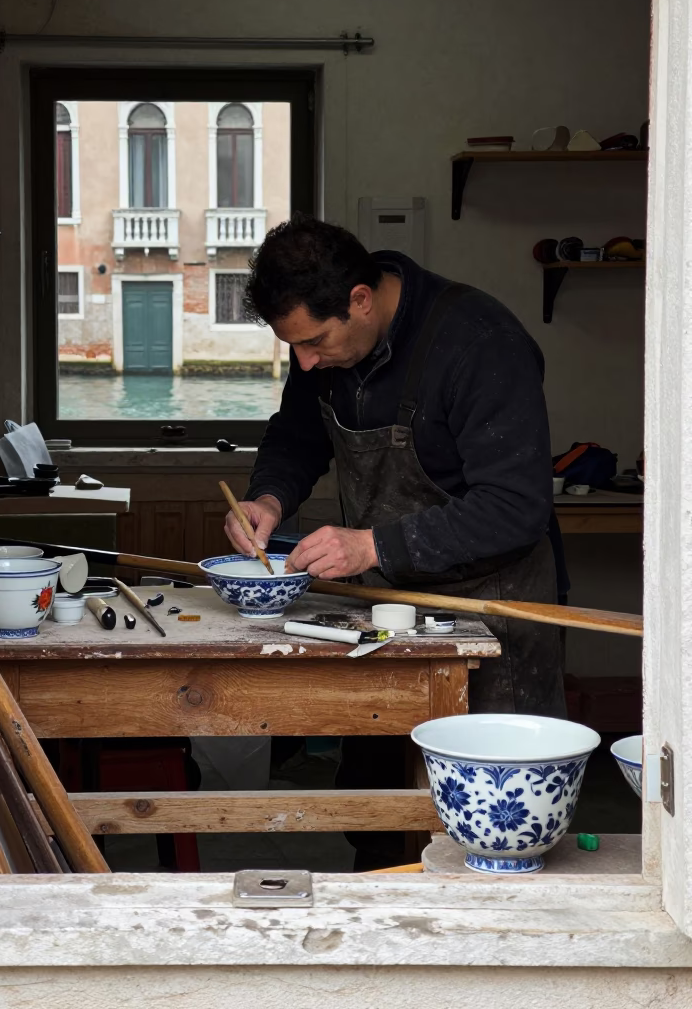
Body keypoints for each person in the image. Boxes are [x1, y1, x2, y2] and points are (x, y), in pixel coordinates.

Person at [224, 214, 567, 870]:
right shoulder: (323, 348)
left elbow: (516, 506)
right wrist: (267, 497)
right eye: (293, 346)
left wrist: (373, 547)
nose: (305, 360)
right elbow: (297, 436)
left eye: (315, 342)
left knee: (493, 825)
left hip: (494, 611)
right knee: (379, 807)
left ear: (360, 298)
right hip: (387, 615)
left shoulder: (478, 343)